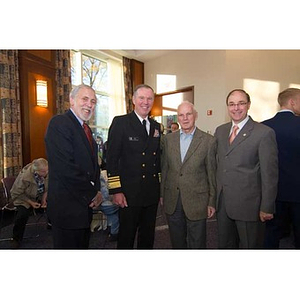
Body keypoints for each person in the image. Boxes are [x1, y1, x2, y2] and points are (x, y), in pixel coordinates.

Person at [214, 89, 278, 248]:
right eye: (232, 104)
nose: (236, 108)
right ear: (227, 107)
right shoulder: (220, 131)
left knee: (250, 247)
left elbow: (269, 175)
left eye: (241, 103)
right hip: (223, 204)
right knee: (225, 246)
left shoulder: (263, 133)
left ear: (248, 105)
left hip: (249, 206)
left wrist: (267, 207)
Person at [45, 84, 102, 249]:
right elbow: (66, 168)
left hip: (84, 209)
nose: (89, 104)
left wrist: (97, 190)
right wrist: (93, 194)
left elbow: (94, 167)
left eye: (93, 101)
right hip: (67, 210)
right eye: (85, 99)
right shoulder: (59, 124)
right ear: (71, 100)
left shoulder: (87, 130)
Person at [106, 84, 161, 249]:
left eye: (149, 98)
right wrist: (116, 190)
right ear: (134, 100)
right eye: (142, 98)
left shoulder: (156, 126)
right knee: (127, 235)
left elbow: (157, 160)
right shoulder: (121, 122)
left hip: (151, 191)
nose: (146, 102)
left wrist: (159, 188)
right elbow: (112, 159)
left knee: (148, 235)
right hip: (129, 193)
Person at [161, 101, 217, 248]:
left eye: (188, 114)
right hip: (173, 199)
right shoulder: (168, 140)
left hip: (197, 201)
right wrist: (162, 195)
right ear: (177, 118)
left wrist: (211, 201)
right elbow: (165, 169)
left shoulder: (208, 141)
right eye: (181, 115)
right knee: (177, 242)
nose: (185, 118)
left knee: (197, 243)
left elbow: (211, 173)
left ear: (195, 116)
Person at [262, 88, 300, 248]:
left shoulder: (263, 127)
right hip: (298, 192)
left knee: (271, 235)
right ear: (292, 102)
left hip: (272, 194)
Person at [10, 158, 48, 248]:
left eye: (47, 170)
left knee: (56, 202)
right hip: (23, 198)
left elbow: (47, 188)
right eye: (43, 171)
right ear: (36, 171)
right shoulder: (25, 177)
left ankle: (51, 224)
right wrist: (31, 202)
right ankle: (16, 238)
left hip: (38, 195)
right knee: (22, 214)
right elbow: (15, 193)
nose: (46, 173)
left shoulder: (46, 172)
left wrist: (43, 200)